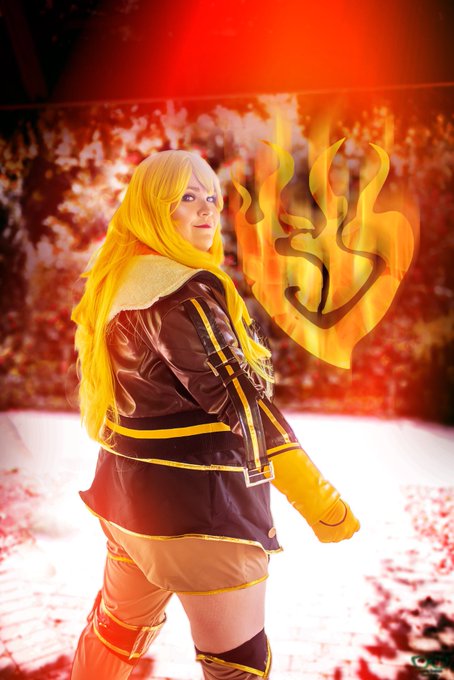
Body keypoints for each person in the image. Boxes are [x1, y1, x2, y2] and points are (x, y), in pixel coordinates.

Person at [70, 149, 360, 680]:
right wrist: (320, 502)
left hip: (126, 505)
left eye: (211, 196)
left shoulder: (118, 280)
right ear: (153, 207)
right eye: (187, 197)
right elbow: (245, 405)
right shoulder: (181, 292)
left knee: (114, 634)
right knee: (237, 668)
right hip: (202, 517)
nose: (207, 209)